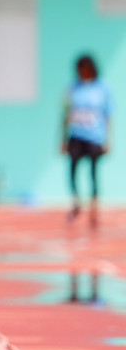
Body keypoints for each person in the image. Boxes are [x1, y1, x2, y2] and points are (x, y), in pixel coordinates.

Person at [63, 54, 111, 229]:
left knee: (93, 174)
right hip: (76, 135)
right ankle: (76, 203)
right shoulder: (72, 87)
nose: (81, 72)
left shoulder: (102, 87)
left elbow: (108, 115)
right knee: (73, 171)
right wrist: (62, 139)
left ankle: (94, 209)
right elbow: (66, 114)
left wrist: (107, 139)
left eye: (84, 68)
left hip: (94, 137)